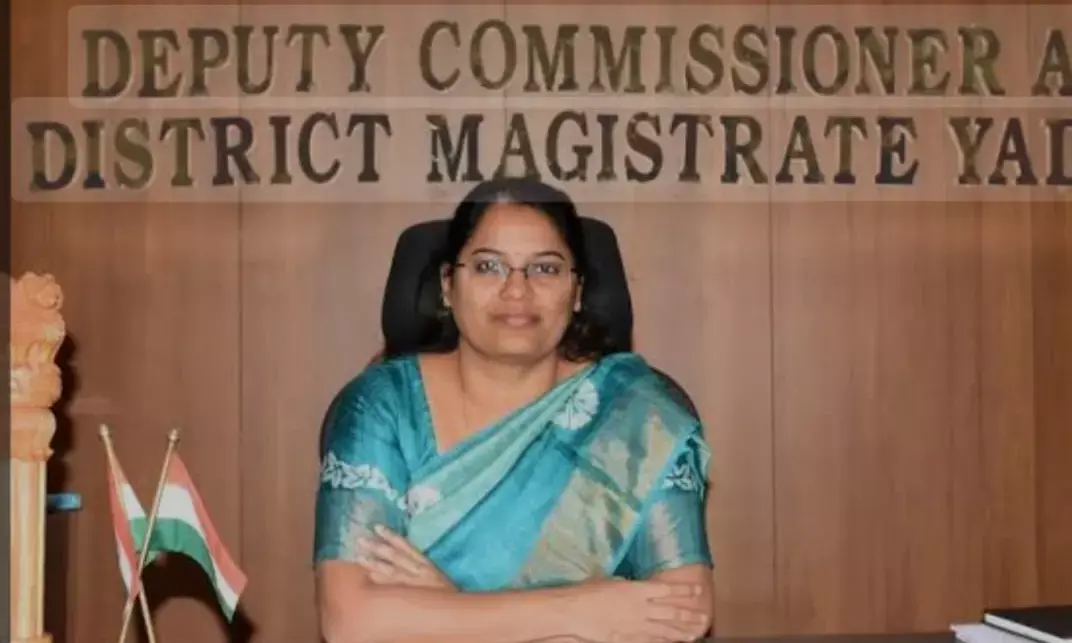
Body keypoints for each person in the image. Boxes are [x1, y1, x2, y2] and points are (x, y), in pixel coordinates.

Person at [313, 177, 714, 643]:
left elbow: (685, 614)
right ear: (447, 285)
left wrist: (447, 605)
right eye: (488, 266)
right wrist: (580, 610)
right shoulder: (381, 408)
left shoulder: (639, 417)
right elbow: (351, 622)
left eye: (545, 268)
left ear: (577, 291)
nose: (517, 291)